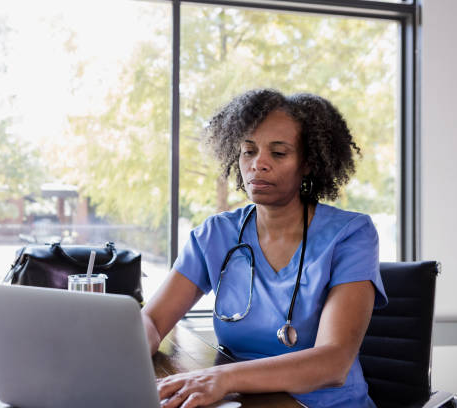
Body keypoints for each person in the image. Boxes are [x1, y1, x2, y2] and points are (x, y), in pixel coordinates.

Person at [141, 88, 388, 408]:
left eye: (279, 153)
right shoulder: (215, 234)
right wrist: (138, 341)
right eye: (248, 151)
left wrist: (224, 378)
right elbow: (153, 321)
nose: (259, 164)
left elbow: (334, 362)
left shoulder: (350, 235)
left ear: (308, 163)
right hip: (248, 402)